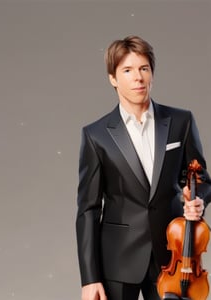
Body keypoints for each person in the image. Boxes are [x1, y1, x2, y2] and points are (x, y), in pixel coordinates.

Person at [75, 35, 211, 300]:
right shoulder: (96, 135)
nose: (138, 77)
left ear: (152, 74)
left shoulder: (180, 121)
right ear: (113, 78)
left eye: (144, 69)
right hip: (118, 260)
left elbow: (203, 179)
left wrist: (198, 199)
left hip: (173, 256)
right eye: (127, 70)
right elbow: (88, 210)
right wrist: (90, 279)